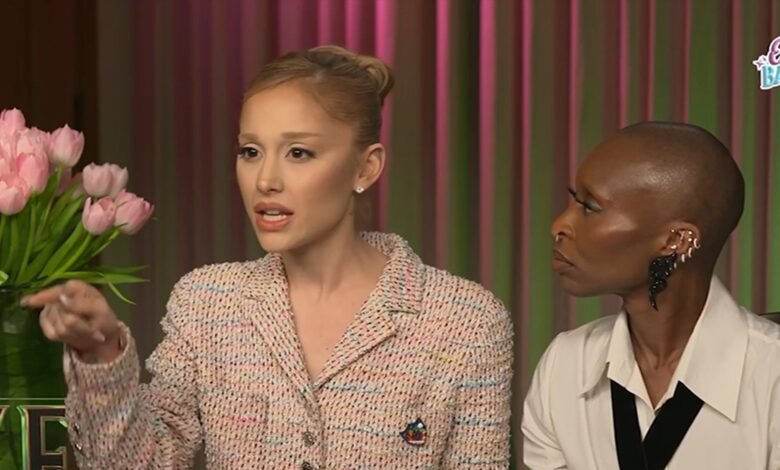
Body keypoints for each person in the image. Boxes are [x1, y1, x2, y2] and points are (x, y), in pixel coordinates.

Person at [24, 45, 513, 469]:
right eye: (250, 151)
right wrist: (103, 353)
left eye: (298, 153)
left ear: (366, 166)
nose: (265, 181)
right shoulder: (207, 302)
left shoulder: (465, 322)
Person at [522, 122, 780, 470]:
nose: (559, 226)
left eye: (590, 207)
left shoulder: (771, 378)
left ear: (677, 241)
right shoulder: (565, 365)